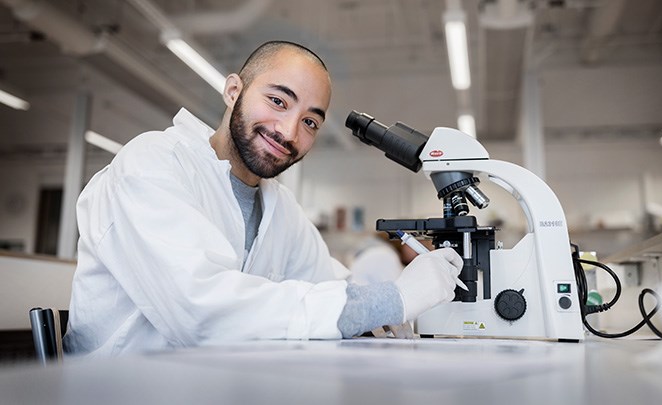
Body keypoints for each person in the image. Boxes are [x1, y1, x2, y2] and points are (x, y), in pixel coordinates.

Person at [63, 41, 462, 356]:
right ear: (233, 90)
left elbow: (329, 282)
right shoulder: (153, 163)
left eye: (309, 121)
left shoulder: (280, 206)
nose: (289, 131)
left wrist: (394, 304)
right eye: (277, 101)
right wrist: (391, 299)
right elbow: (200, 310)